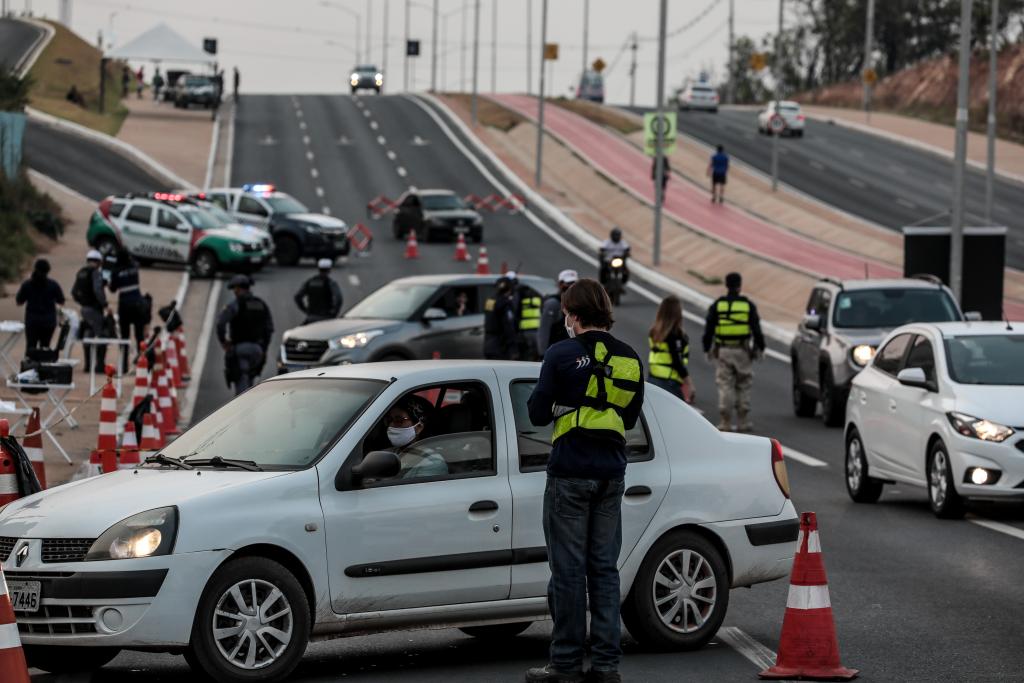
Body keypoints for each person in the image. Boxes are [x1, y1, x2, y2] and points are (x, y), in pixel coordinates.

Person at [526, 278, 644, 683]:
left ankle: (566, 665)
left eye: (565, 312)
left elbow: (537, 413)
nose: (564, 319)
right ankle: (607, 666)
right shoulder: (629, 358)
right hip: (612, 473)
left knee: (569, 572)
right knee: (604, 571)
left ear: (574, 315)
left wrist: (564, 403)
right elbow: (628, 418)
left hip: (570, 472)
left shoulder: (561, 353)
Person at [701, 272, 765, 432]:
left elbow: (709, 329)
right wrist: (760, 347)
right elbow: (756, 329)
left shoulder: (718, 305)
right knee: (743, 384)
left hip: (723, 351)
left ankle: (725, 422)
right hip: (743, 351)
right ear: (739, 286)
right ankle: (743, 421)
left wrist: (706, 347)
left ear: (726, 285)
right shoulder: (748, 305)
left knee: (725, 385)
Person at [216, 275, 274, 395]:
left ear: (239, 289)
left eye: (235, 289)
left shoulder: (235, 305)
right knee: (250, 379)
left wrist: (224, 342)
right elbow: (269, 329)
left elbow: (220, 324)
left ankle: (243, 409)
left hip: (240, 350)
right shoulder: (261, 304)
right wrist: (264, 349)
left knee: (241, 385)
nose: (235, 292)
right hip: (257, 351)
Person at [383, 399, 448, 479]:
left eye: (398, 420)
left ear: (418, 427)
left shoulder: (432, 462)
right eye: (389, 420)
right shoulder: (384, 454)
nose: (391, 425)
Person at [108, 247, 150, 370]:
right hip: (138, 304)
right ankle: (142, 364)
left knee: (125, 337)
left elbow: (113, 289)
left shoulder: (116, 271)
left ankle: (124, 365)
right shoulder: (134, 267)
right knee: (139, 337)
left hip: (125, 306)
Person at [648, 295, 695, 403]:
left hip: (653, 379)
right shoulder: (675, 335)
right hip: (669, 383)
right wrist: (689, 384)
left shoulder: (654, 332)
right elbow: (677, 361)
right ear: (677, 314)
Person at [71, 250, 110, 372]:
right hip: (94, 309)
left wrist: (83, 302)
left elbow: (73, 292)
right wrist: (104, 304)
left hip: (84, 309)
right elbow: (98, 290)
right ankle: (99, 366)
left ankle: (88, 366)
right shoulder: (95, 273)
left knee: (88, 334)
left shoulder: (81, 272)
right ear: (98, 262)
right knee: (102, 335)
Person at [15, 259, 65, 354]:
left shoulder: (27, 285)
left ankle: (29, 366)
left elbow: (19, 302)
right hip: (48, 321)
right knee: (45, 347)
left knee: (31, 346)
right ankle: (43, 367)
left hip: (32, 321)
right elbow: (61, 301)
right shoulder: (53, 285)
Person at [536, 269, 578, 356]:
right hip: (556, 353)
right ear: (560, 284)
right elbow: (544, 330)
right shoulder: (553, 304)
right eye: (568, 283)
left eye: (574, 283)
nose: (571, 286)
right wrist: (542, 354)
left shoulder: (578, 304)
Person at [294, 258, 343, 324]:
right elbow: (339, 298)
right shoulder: (330, 283)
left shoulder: (310, 281)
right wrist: (334, 313)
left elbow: (297, 297)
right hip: (326, 317)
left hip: (311, 317)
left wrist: (306, 310)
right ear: (329, 269)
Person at [483, 274, 518, 360]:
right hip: (501, 346)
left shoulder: (490, 300)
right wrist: (513, 348)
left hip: (488, 344)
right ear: (509, 289)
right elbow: (508, 327)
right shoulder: (505, 303)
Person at [510, 271, 542, 361]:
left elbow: (514, 313)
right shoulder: (533, 293)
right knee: (536, 356)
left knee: (525, 357)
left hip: (525, 331)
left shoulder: (517, 294)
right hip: (537, 330)